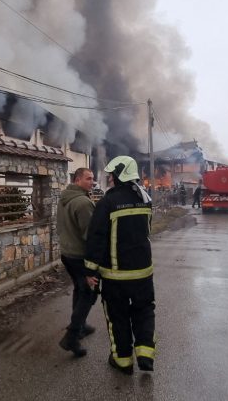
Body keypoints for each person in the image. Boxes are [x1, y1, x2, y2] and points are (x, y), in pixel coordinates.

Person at [85, 156, 156, 375]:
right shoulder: (145, 198)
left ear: (118, 175)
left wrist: (90, 269)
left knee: (118, 316)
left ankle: (123, 361)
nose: (109, 178)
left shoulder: (108, 202)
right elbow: (147, 231)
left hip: (116, 276)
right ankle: (145, 355)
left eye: (111, 174)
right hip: (143, 273)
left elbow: (97, 237)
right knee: (144, 311)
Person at [56, 168, 98, 357]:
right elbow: (91, 237)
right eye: (89, 179)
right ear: (77, 179)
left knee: (79, 289)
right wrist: (92, 266)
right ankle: (72, 337)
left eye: (93, 179)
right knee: (88, 293)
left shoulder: (64, 197)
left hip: (67, 253)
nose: (93, 182)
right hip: (81, 257)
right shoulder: (83, 203)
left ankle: (80, 325)